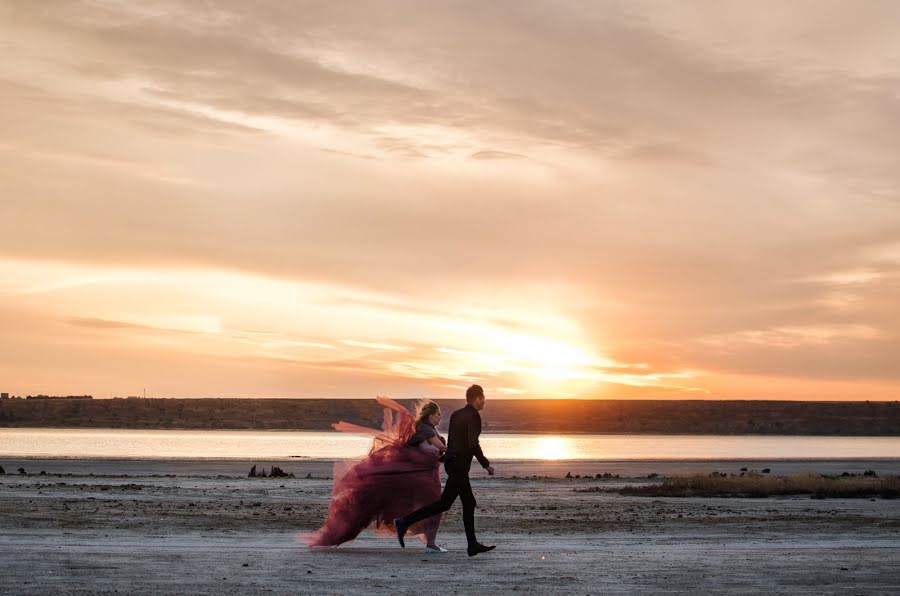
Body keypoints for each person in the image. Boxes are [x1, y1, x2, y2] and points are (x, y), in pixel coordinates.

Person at [301, 397, 447, 552]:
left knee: (428, 508)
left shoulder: (429, 430)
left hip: (426, 478)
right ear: (430, 415)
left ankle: (427, 539)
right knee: (431, 508)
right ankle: (428, 541)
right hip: (420, 480)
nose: (440, 417)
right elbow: (442, 449)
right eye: (438, 414)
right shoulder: (427, 430)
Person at [394, 384, 497, 557]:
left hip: (453, 465)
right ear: (478, 398)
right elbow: (473, 444)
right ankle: (404, 522)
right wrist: (486, 464)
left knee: (466, 503)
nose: (484, 402)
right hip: (460, 467)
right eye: (484, 398)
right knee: (445, 503)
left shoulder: (457, 415)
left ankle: (472, 544)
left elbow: (452, 443)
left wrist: (446, 460)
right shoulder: (473, 416)